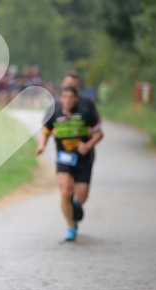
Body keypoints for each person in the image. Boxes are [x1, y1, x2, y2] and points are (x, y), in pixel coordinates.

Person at [36, 86, 104, 241]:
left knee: (82, 197)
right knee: (65, 191)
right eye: (64, 97)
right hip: (64, 157)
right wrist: (41, 146)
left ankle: (75, 206)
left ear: (76, 99)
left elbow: (99, 133)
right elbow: (46, 131)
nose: (67, 100)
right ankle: (70, 227)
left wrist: (88, 145)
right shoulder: (55, 112)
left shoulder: (85, 112)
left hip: (83, 158)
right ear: (61, 99)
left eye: (71, 97)